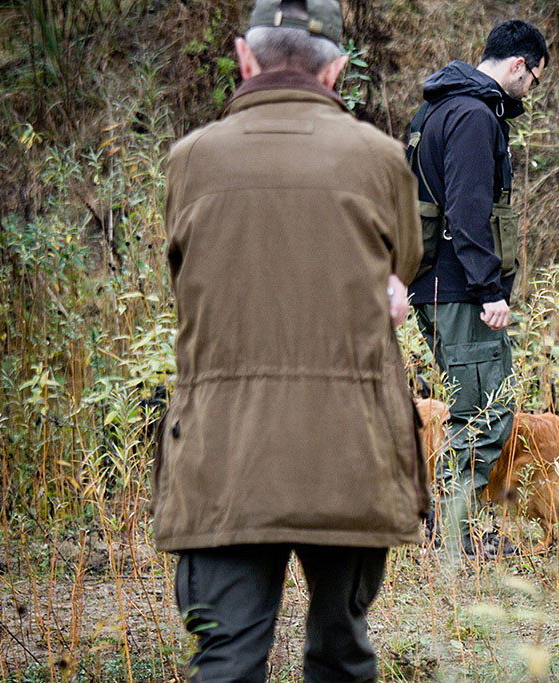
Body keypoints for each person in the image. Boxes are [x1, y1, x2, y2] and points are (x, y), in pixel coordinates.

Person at [151, 1, 427, 681]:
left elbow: (184, 284)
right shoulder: (382, 158)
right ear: (335, 69)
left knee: (227, 657)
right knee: (342, 652)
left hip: (222, 456)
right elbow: (405, 268)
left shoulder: (189, 161)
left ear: (245, 58)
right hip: (350, 449)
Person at [408, 19, 549, 559]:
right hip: (463, 290)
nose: (530, 91)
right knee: (487, 410)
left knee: (474, 406)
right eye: (534, 78)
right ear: (518, 65)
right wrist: (490, 289)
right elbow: (468, 209)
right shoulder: (471, 116)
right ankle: (452, 535)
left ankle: (453, 529)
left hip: (437, 285)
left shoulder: (439, 107)